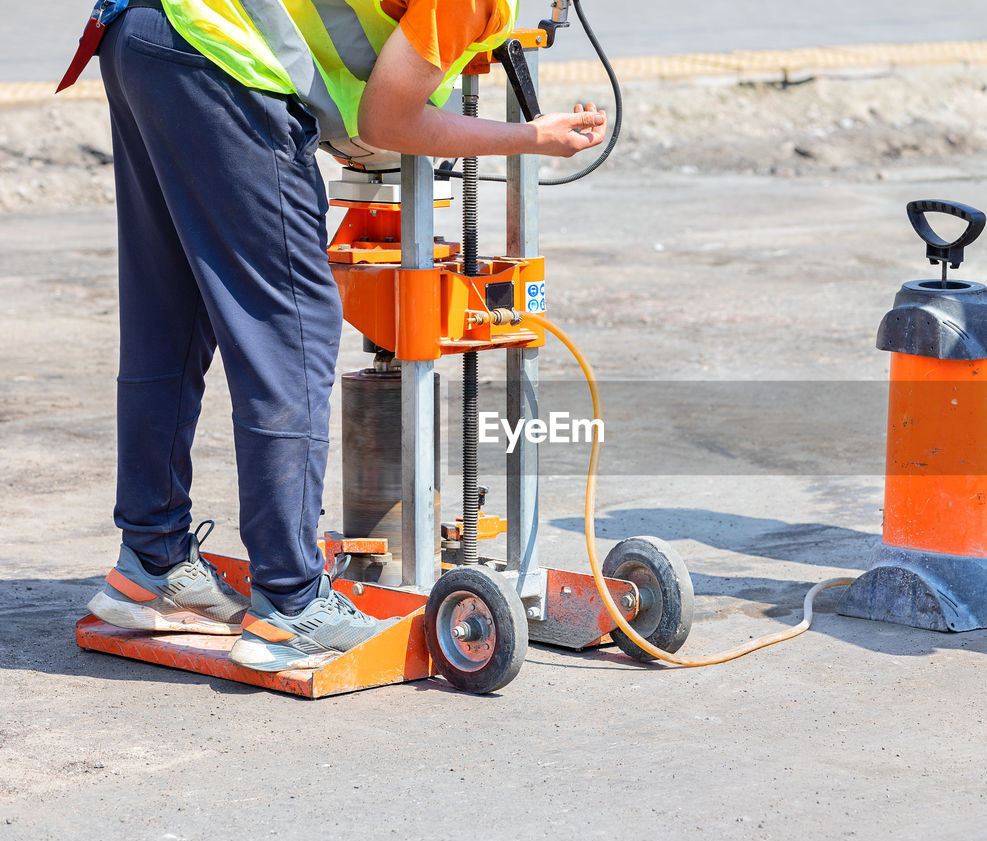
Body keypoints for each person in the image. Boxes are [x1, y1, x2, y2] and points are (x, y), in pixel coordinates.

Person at [80, 0, 606, 670]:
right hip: (221, 55)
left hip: (143, 33)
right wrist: (531, 138)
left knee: (168, 316)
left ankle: (152, 562)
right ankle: (292, 605)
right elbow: (387, 119)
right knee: (290, 336)